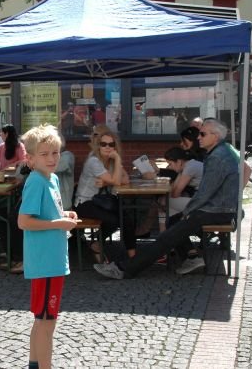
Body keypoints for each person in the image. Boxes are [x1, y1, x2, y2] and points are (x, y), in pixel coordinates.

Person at [94, 118, 240, 279]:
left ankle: (125, 269)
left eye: (203, 134)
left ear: (216, 136)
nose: (199, 137)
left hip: (217, 210)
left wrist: (189, 211)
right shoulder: (221, 151)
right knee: (172, 223)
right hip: (218, 208)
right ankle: (191, 257)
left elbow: (206, 192)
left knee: (166, 237)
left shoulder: (217, 157)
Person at [17, 124, 79, 369]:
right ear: (30, 158)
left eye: (55, 152)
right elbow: (24, 221)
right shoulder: (37, 181)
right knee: (47, 322)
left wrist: (63, 214)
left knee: (42, 320)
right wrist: (58, 223)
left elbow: (43, 214)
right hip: (46, 262)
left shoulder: (50, 178)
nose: (52, 158)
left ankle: (35, 365)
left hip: (51, 260)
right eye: (44, 154)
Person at [73, 129, 132, 261]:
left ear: (115, 146)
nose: (107, 147)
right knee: (114, 219)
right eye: (103, 144)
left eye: (111, 145)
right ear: (98, 145)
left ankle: (131, 254)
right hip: (84, 203)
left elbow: (125, 179)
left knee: (125, 216)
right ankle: (96, 243)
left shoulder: (111, 161)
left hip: (101, 201)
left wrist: (107, 181)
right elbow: (117, 181)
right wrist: (116, 161)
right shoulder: (93, 161)